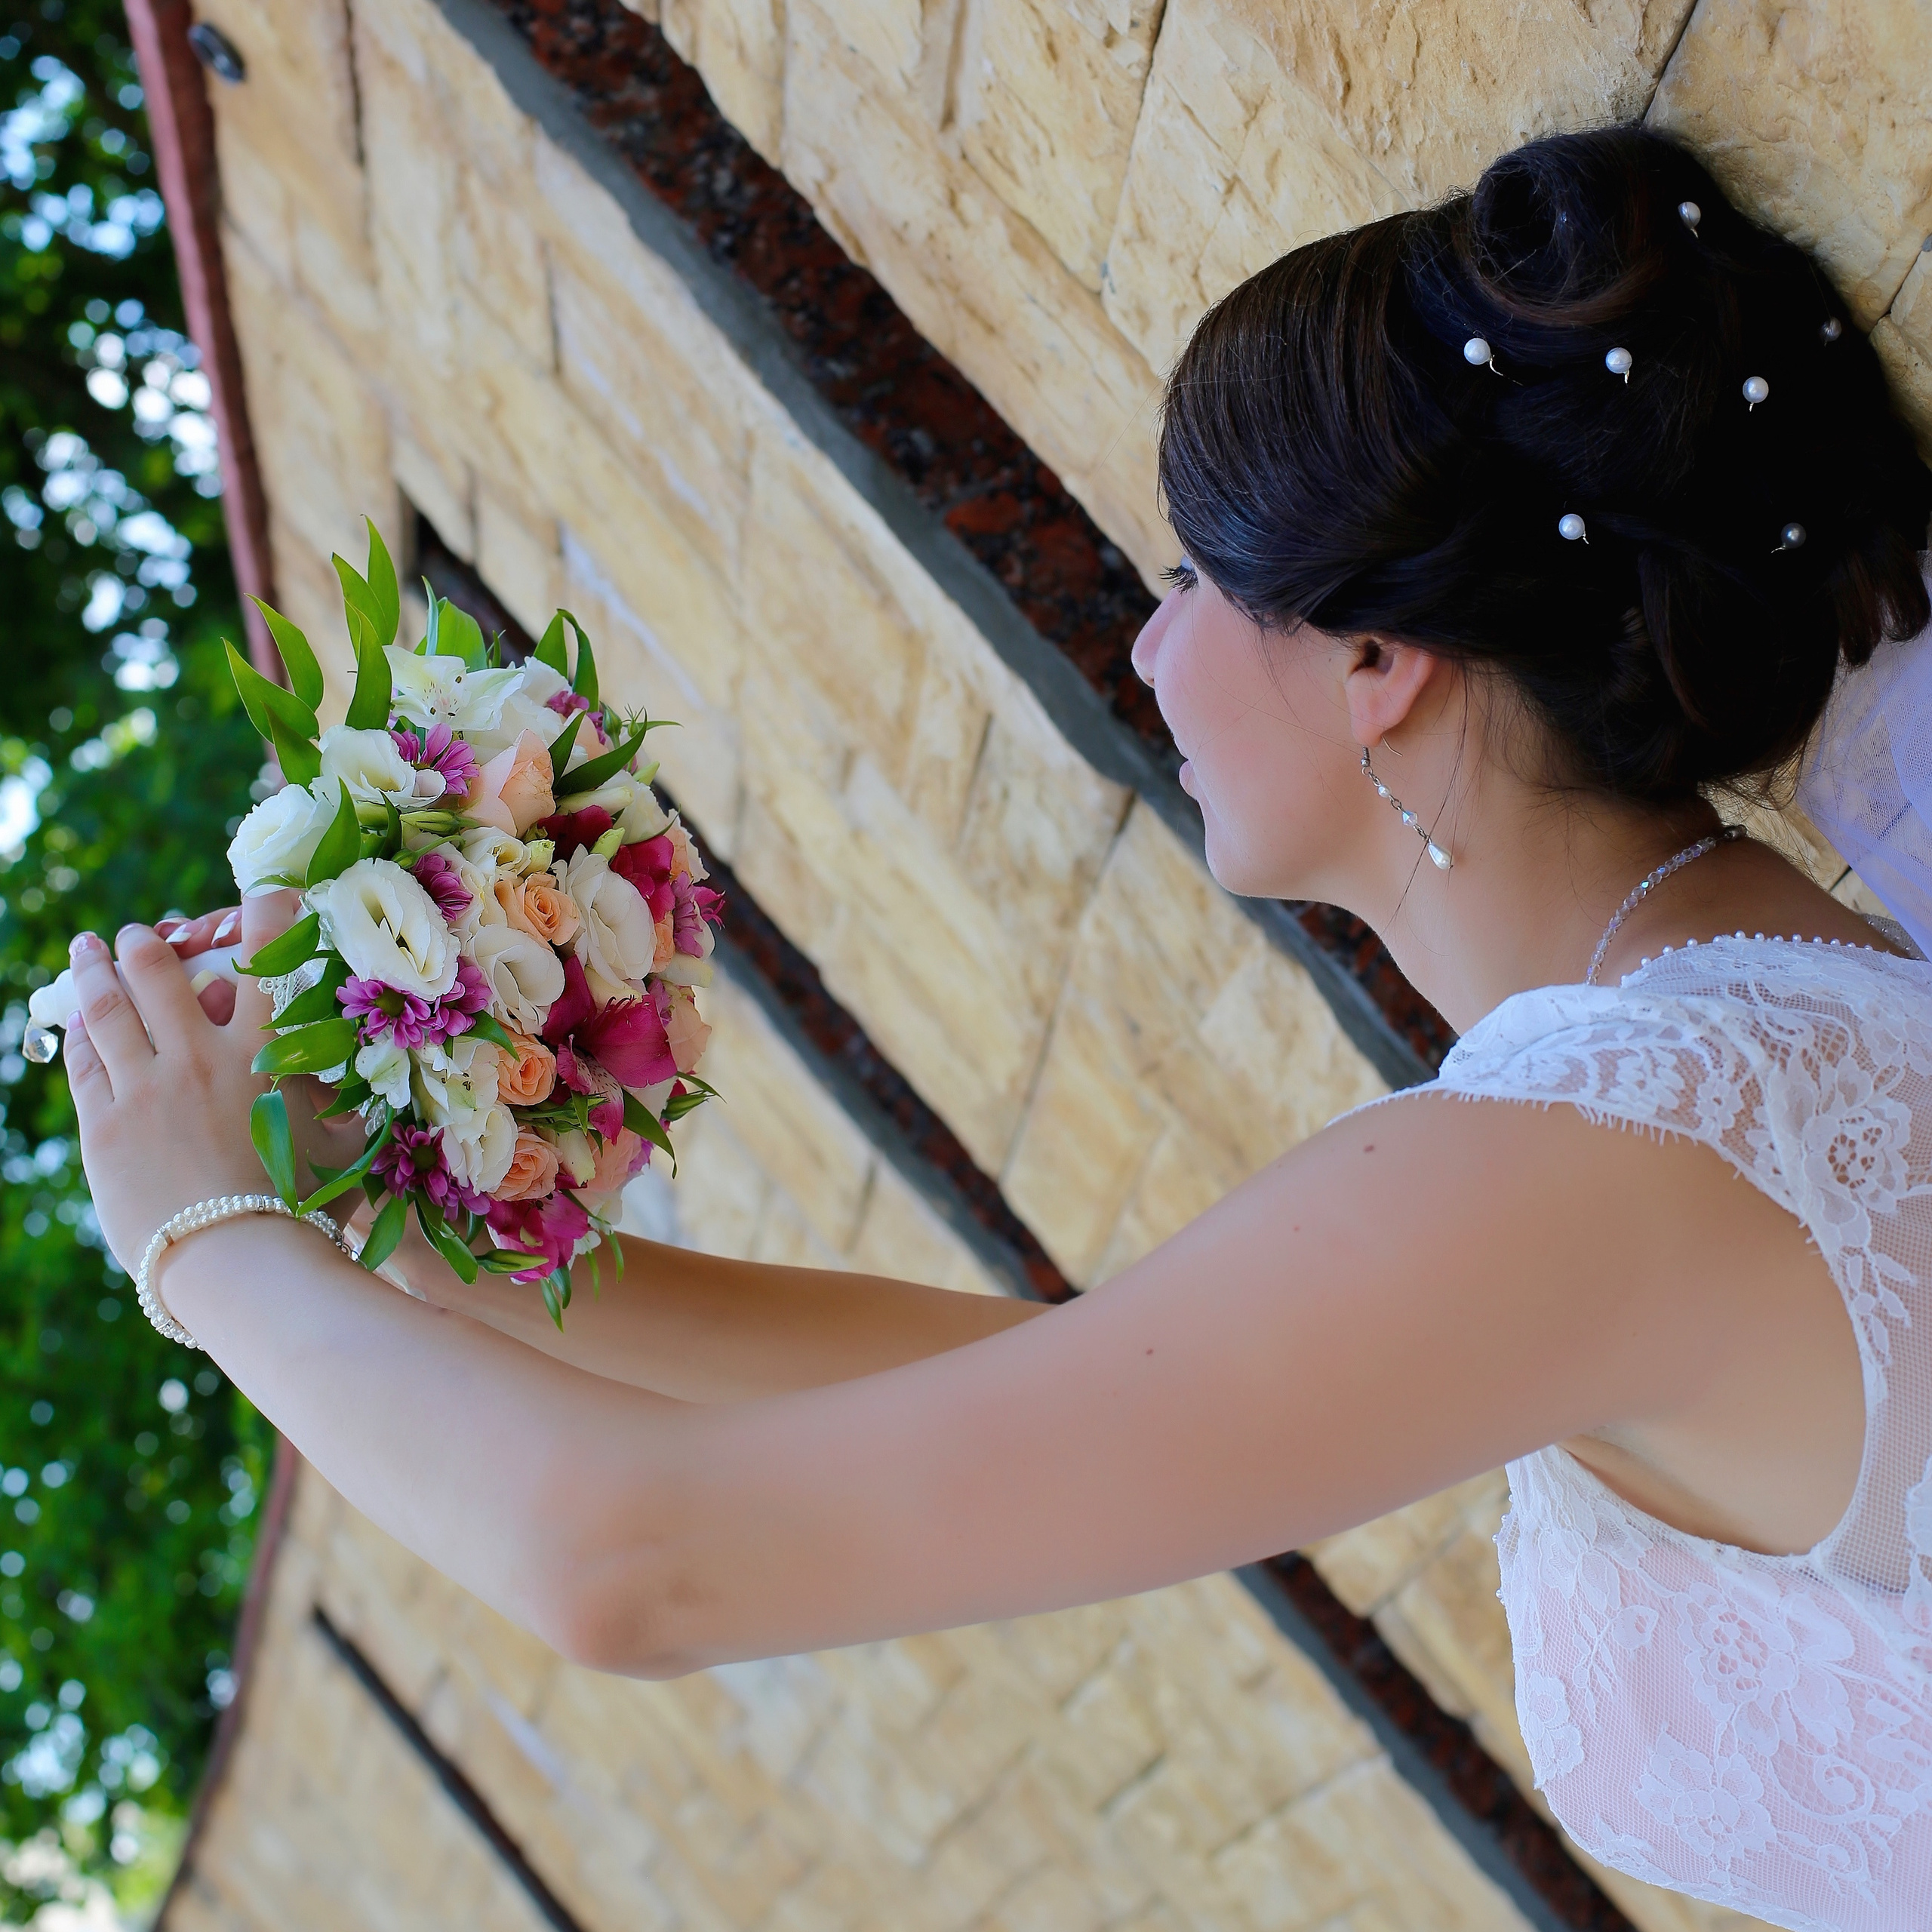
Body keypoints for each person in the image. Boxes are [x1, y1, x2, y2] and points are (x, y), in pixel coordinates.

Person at [57, 126, 1932, 1930]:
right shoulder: (1713, 1035)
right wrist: (378, 1214)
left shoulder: (1602, 1144)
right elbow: (1086, 1380)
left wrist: (189, 1235)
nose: (1146, 643)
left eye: (1193, 578)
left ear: (1375, 660)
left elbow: (637, 1557)